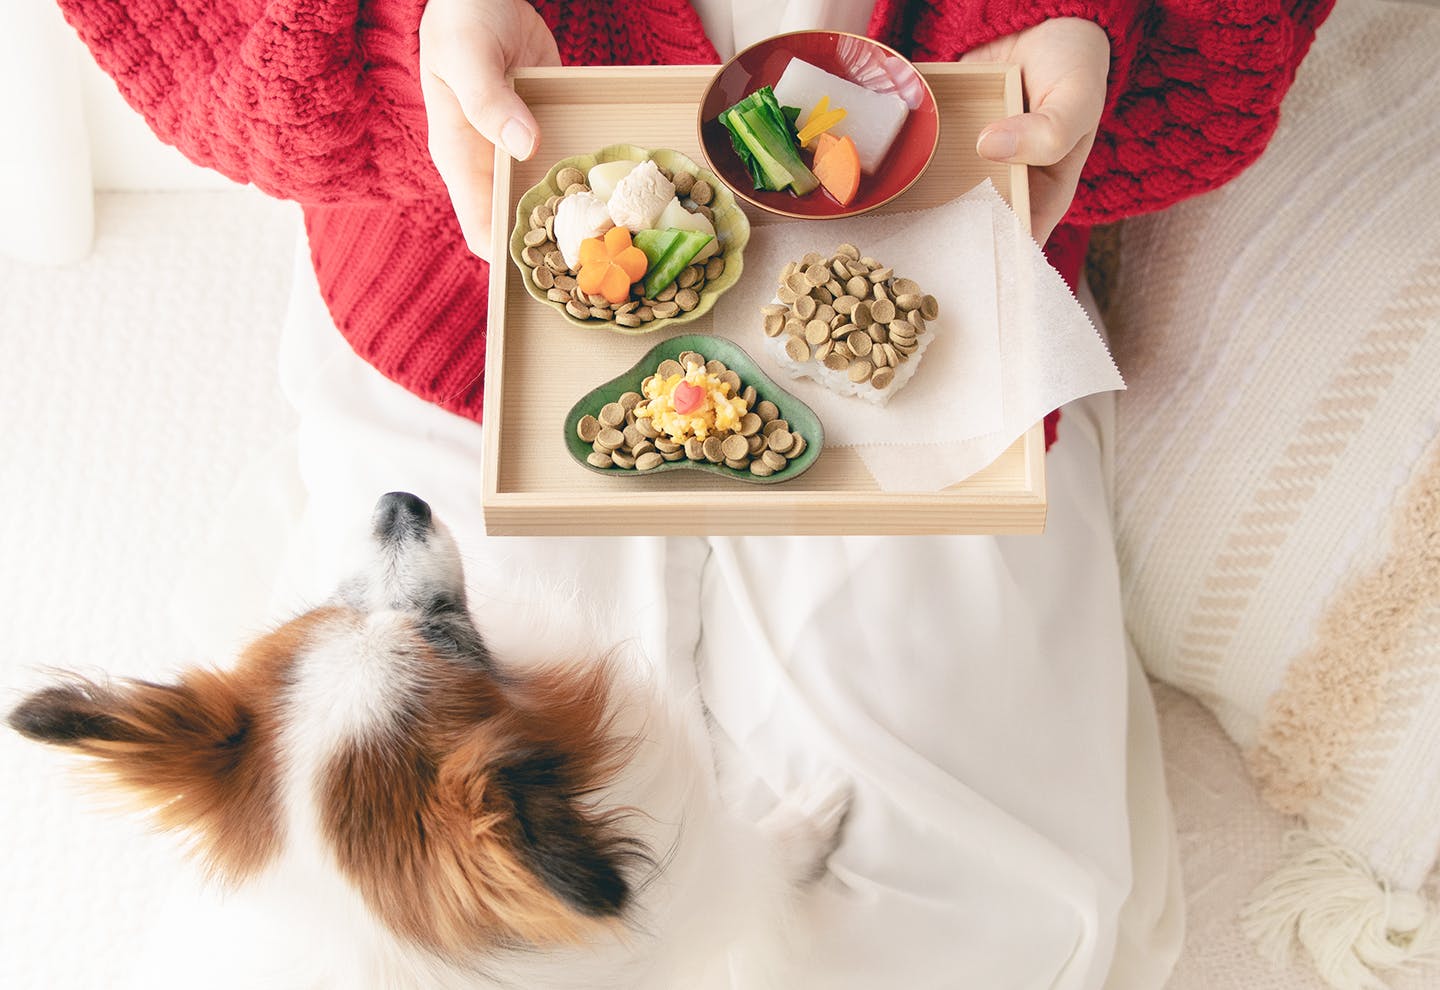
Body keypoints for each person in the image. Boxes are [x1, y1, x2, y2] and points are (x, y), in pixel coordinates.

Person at [51, 0, 1335, 987]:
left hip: (924, 270)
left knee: (968, 890)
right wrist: (403, 40)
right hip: (471, 298)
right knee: (412, 919)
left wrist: (1079, 32)